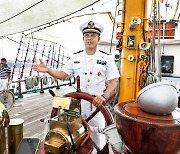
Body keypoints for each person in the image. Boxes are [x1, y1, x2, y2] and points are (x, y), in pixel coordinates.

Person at [32, 21, 120, 151]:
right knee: (76, 136)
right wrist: (48, 70)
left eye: (93, 35)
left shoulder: (107, 58)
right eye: (87, 35)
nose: (90, 38)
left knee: (98, 137)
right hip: (78, 106)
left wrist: (104, 96)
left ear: (98, 39)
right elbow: (62, 75)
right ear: (83, 38)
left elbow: (114, 81)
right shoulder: (75, 57)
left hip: (97, 104)